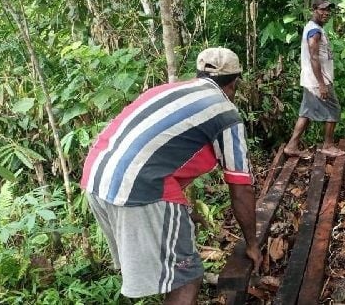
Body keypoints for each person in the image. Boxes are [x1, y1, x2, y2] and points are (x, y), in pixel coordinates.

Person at [80, 47, 262, 303]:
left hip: (97, 178)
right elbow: (241, 188)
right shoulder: (225, 114)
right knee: (186, 278)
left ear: (198, 73)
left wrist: (184, 210)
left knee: (172, 270)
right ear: (234, 82)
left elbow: (160, 153)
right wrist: (252, 243)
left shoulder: (167, 90)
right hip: (140, 188)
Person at [284, 0, 344, 158]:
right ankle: (328, 145)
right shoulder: (314, 31)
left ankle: (292, 146)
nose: (326, 13)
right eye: (322, 9)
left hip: (312, 80)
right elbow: (314, 57)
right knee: (334, 110)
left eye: (328, 9)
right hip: (318, 81)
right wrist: (322, 84)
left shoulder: (314, 28)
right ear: (314, 10)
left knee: (306, 113)